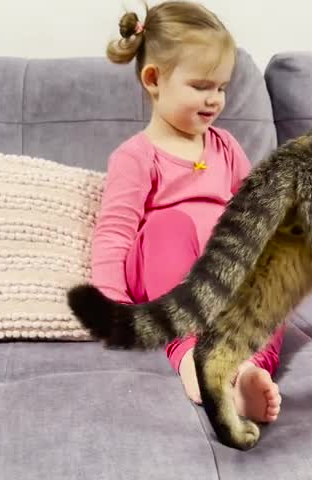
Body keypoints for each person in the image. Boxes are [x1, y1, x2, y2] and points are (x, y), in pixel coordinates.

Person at [90, 1, 284, 423]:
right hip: (169, 276)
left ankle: (245, 369)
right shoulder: (136, 156)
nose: (215, 99)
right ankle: (191, 358)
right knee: (169, 224)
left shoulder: (226, 146)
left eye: (221, 87)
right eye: (201, 86)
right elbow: (115, 232)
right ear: (154, 79)